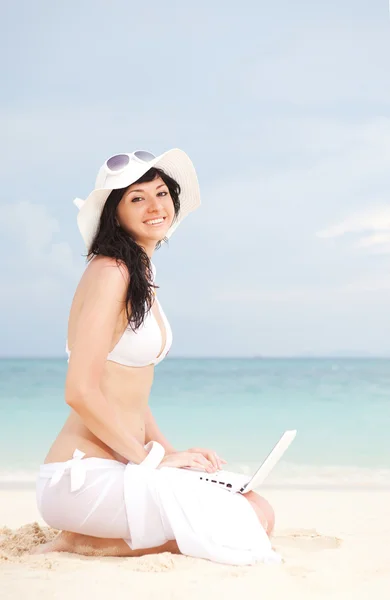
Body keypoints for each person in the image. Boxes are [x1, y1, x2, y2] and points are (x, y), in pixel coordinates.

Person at [33, 149, 276, 562]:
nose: (154, 206)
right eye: (137, 198)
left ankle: (103, 539)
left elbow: (129, 394)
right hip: (83, 477)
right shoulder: (112, 273)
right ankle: (87, 542)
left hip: (128, 466)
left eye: (161, 193)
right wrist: (151, 460)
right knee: (247, 521)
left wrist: (171, 454)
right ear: (115, 212)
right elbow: (79, 391)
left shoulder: (139, 274)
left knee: (258, 507)